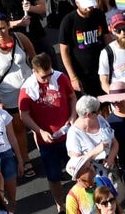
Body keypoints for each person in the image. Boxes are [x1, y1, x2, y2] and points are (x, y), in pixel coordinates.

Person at [18, 53, 76, 212]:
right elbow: (24, 115)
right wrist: (40, 131)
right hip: (47, 142)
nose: (48, 79)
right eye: (43, 77)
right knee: (54, 177)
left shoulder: (60, 78)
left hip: (69, 136)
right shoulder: (27, 89)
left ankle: (81, 202)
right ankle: (60, 205)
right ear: (34, 72)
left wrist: (72, 116)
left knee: (79, 172)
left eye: (50, 74)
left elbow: (72, 97)